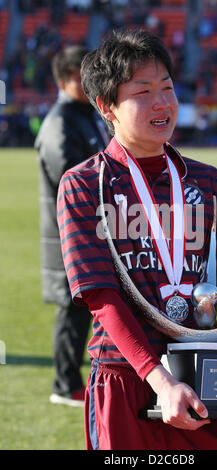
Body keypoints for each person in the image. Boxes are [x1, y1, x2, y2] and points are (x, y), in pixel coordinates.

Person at [57, 30, 217, 448]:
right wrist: (159, 381)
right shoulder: (84, 184)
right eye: (143, 92)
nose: (162, 103)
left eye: (167, 88)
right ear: (107, 106)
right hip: (127, 378)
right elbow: (101, 296)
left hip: (206, 375)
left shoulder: (208, 182)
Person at [35, 45, 109, 406]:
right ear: (67, 79)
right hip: (69, 233)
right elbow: (72, 180)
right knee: (71, 307)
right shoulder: (60, 122)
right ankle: (64, 385)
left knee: (84, 306)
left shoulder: (84, 113)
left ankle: (79, 379)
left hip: (94, 229)